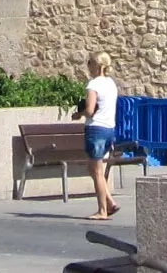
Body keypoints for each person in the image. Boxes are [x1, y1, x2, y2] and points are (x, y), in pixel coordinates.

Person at [73, 51, 120, 220]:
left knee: (97, 172)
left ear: (97, 65)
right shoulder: (111, 84)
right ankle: (110, 201)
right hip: (109, 129)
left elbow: (90, 110)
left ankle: (102, 210)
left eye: (90, 63)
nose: (88, 66)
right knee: (93, 169)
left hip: (96, 129)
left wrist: (79, 114)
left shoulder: (94, 85)